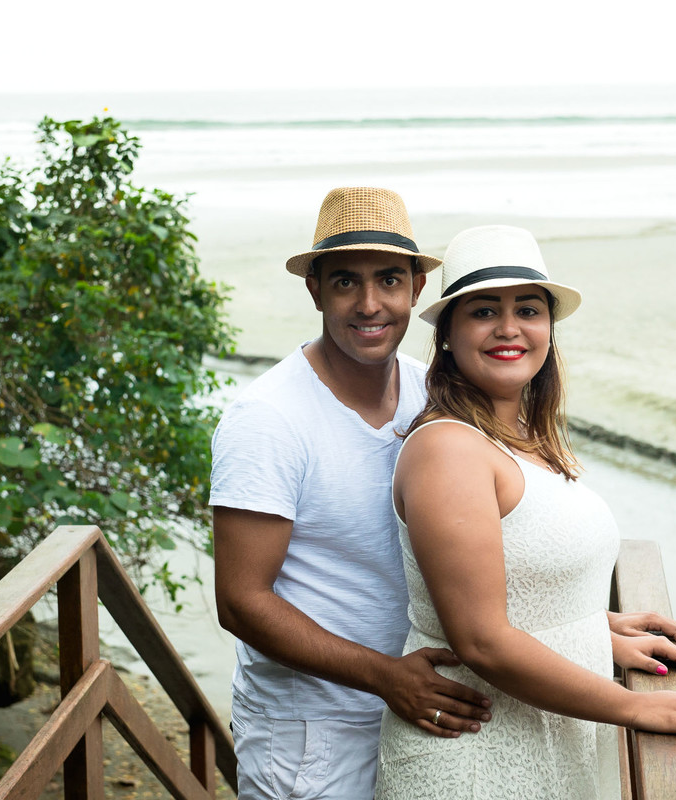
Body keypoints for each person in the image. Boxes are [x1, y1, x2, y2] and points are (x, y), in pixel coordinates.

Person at [376, 225, 676, 799]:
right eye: (484, 311)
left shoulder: (524, 433)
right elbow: (481, 640)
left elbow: (520, 579)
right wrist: (635, 707)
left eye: (528, 310)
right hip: (475, 760)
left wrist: (592, 628)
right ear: (449, 335)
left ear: (549, 329)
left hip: (547, 746)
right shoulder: (448, 450)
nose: (509, 328)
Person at [210, 188, 495, 800]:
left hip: (416, 715)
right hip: (311, 735)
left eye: (389, 279)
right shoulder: (268, 418)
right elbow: (240, 601)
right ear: (315, 290)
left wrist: (583, 623)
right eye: (346, 282)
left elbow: (477, 547)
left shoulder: (433, 394)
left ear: (417, 288)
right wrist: (387, 677)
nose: (370, 304)